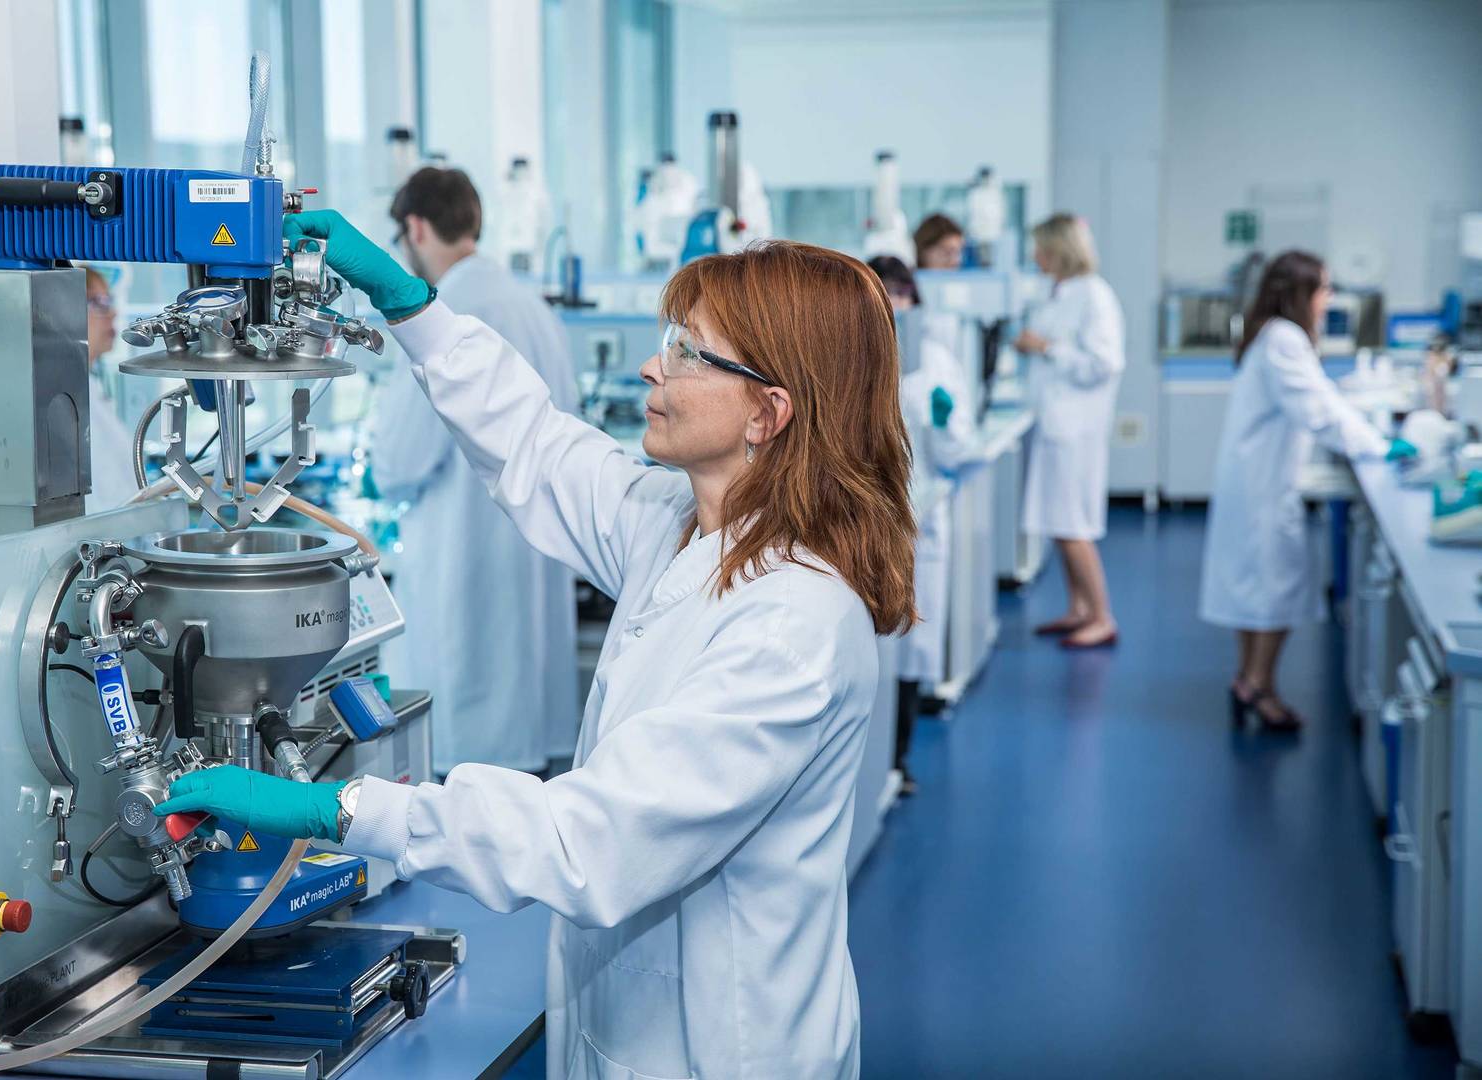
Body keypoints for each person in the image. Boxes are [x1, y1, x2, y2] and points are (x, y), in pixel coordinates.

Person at [158, 216, 918, 1079]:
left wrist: (341, 811)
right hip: (626, 1028)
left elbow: (585, 843)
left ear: (767, 413)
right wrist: (412, 307)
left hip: (725, 1051)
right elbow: (537, 445)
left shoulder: (794, 627)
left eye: (688, 351)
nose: (650, 366)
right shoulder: (675, 523)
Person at [367, 167, 581, 776]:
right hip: (536, 555)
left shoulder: (443, 316)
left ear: (414, 227)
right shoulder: (531, 306)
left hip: (466, 568)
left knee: (470, 776)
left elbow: (397, 463)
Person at [1200, 251, 1387, 731]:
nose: (1328, 301)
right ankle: (1261, 688)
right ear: (1301, 294)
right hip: (1263, 487)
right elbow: (1319, 412)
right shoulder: (1284, 339)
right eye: (1323, 291)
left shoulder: (1272, 335)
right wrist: (1381, 447)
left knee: (1254, 585)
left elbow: (1319, 397)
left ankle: (1247, 677)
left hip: (1253, 479)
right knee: (1275, 586)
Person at [869, 255, 976, 796]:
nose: (893, 305)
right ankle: (867, 768)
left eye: (901, 294)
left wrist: (942, 419)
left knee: (910, 643)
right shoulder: (850, 351)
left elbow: (959, 444)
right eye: (881, 294)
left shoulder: (935, 359)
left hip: (919, 514)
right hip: (861, 515)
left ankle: (899, 758)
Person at [1013, 213, 1125, 649]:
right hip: (1056, 422)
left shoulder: (1095, 296)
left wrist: (1046, 348)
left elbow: (1105, 363)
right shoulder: (1057, 292)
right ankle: (1079, 608)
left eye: (1040, 247)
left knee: (1073, 524)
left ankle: (1101, 615)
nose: (1034, 255)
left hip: (1076, 428)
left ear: (1060, 250)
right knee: (1060, 524)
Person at [83, 267, 139, 514]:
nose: (113, 313)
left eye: (110, 301)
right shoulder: (63, 399)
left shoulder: (92, 387)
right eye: (99, 302)